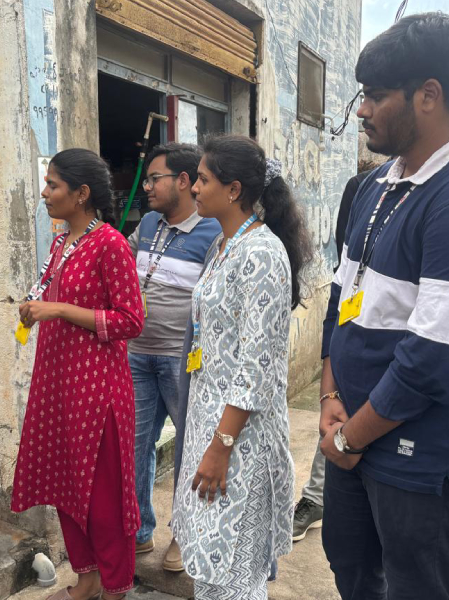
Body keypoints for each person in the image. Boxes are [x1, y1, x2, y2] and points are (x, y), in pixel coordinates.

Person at [319, 13, 449, 600]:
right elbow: (341, 299)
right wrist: (330, 398)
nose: (362, 110)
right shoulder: (378, 183)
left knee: (420, 586)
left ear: (428, 95)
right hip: (353, 430)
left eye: (376, 95)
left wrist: (349, 440)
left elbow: (434, 359)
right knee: (351, 567)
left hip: (426, 455)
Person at [172, 135, 312, 599]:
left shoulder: (261, 254)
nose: (194, 188)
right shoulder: (224, 245)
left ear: (234, 190)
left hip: (240, 442)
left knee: (233, 573)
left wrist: (221, 447)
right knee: (210, 571)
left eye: (203, 180)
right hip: (210, 425)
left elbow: (257, 368)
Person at [11, 148, 145, 600]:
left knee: (104, 498)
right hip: (58, 385)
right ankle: (86, 578)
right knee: (65, 486)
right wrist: (36, 309)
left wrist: (60, 309)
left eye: (53, 185)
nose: (44, 193)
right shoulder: (60, 243)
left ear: (81, 193)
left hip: (97, 390)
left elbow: (131, 320)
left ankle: (115, 587)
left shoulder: (111, 243)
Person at [126, 143, 221, 570]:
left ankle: (184, 534)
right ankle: (139, 531)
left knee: (190, 449)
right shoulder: (148, 223)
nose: (146, 187)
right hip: (137, 355)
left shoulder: (213, 231)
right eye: (146, 179)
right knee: (135, 446)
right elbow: (124, 263)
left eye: (154, 178)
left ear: (183, 181)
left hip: (183, 363)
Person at [292, 169, 373, 542]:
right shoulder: (361, 188)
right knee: (336, 420)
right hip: (353, 341)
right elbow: (344, 276)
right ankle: (315, 499)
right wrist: (328, 389)